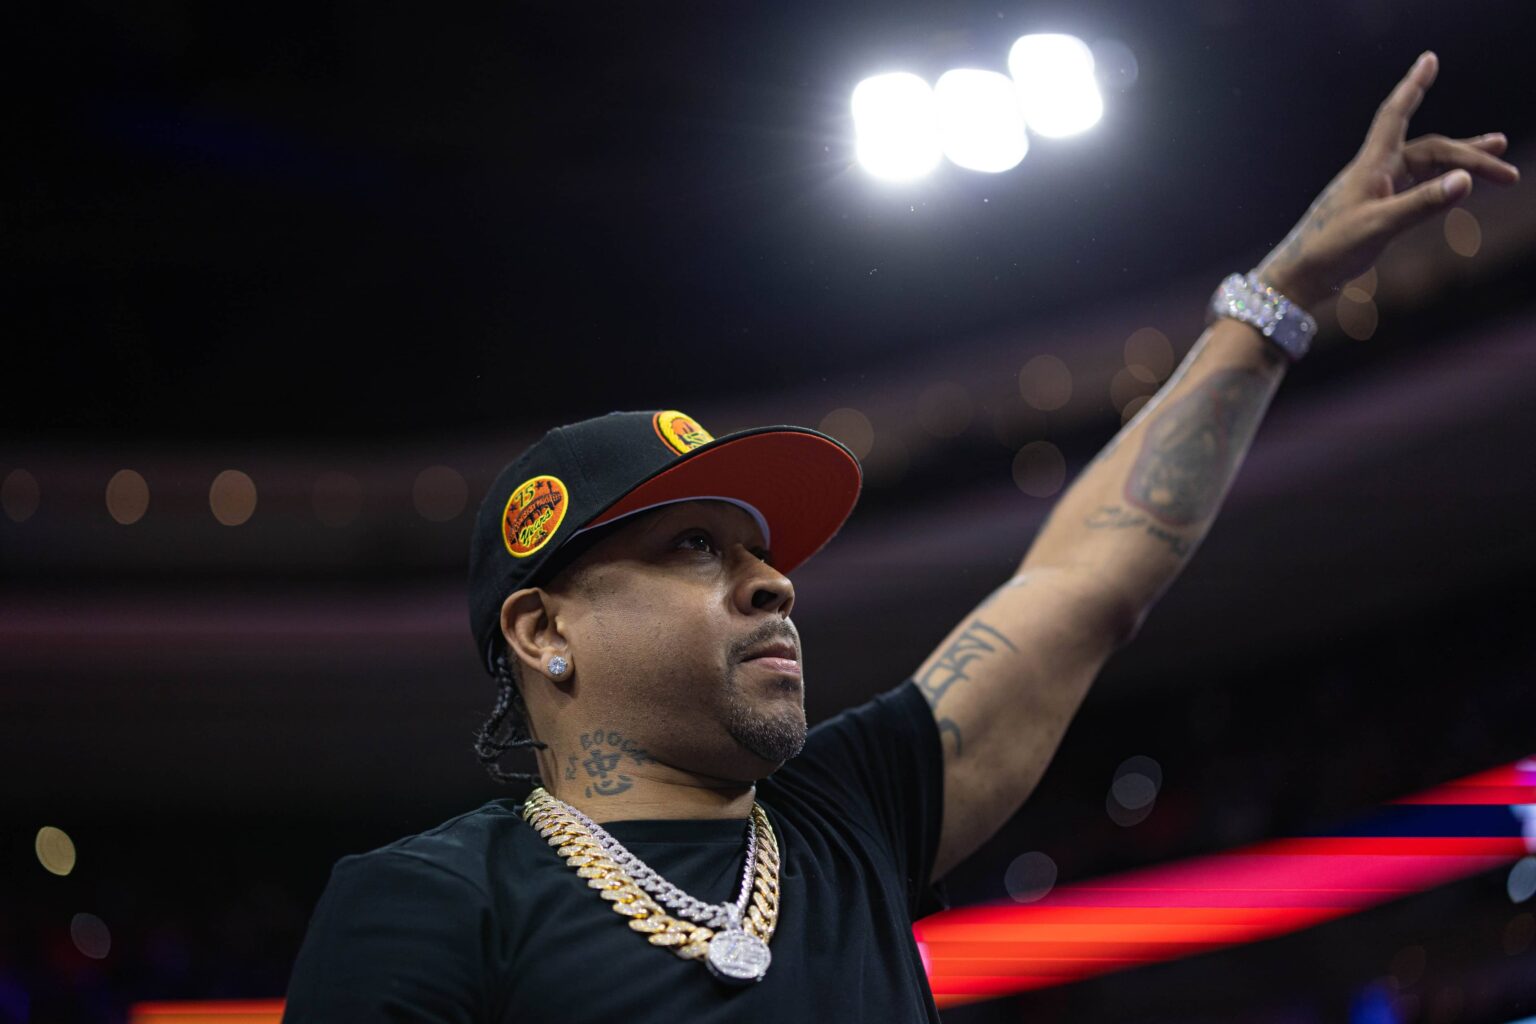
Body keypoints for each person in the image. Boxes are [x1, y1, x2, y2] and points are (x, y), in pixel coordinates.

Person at [282, 53, 1518, 1022]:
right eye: (696, 549)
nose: (773, 581)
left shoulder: (847, 810)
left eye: (762, 551)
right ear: (545, 628)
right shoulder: (429, 903)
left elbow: (1089, 576)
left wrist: (1278, 298)